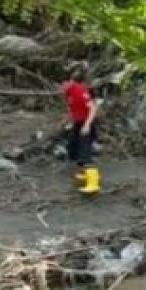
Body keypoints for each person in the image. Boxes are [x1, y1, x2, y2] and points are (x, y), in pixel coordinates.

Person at [60, 64, 101, 195]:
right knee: (72, 147)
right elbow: (71, 108)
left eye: (63, 84)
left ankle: (93, 183)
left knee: (85, 150)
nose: (61, 87)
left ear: (69, 82)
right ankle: (84, 173)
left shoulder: (79, 90)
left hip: (86, 122)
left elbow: (93, 109)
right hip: (77, 122)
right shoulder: (68, 92)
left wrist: (87, 125)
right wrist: (66, 120)